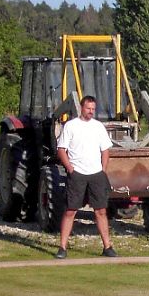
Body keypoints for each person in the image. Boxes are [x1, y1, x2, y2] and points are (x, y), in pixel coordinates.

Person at [54, 95, 118, 259]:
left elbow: (105, 150)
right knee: (70, 210)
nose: (91, 112)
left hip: (96, 175)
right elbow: (61, 149)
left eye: (93, 109)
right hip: (77, 175)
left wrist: (103, 170)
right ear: (82, 108)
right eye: (88, 108)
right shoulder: (71, 126)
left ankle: (107, 246)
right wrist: (69, 167)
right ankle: (62, 248)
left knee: (101, 211)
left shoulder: (98, 127)